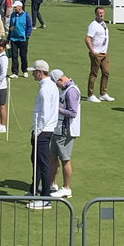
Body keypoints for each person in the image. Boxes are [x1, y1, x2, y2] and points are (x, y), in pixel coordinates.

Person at [27, 60, 59, 209]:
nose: (33, 74)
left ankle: (45, 199)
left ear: (40, 72)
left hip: (43, 130)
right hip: (45, 129)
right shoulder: (49, 86)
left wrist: (37, 131)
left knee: (43, 163)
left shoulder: (45, 89)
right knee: (37, 161)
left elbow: (45, 113)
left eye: (34, 71)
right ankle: (35, 190)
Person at [52, 68, 80, 198]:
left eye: (56, 83)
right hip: (58, 129)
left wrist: (57, 109)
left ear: (60, 79)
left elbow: (73, 112)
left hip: (66, 130)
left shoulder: (71, 91)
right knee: (52, 157)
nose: (56, 86)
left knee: (65, 159)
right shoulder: (65, 90)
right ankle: (52, 184)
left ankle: (66, 187)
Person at [85, 6, 113, 102]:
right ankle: (90, 94)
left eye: (102, 13)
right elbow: (88, 39)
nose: (101, 15)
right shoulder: (93, 25)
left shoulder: (103, 24)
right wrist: (93, 51)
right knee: (94, 74)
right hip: (97, 53)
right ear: (96, 14)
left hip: (104, 53)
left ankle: (103, 93)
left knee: (106, 72)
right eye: (99, 13)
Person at [6, 0, 32, 77]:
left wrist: (27, 35)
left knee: (23, 55)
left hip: (23, 38)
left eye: (16, 7)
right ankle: (15, 72)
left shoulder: (26, 15)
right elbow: (11, 27)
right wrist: (8, 37)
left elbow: (29, 26)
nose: (15, 9)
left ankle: (24, 70)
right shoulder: (13, 15)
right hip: (13, 38)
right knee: (14, 56)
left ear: (20, 7)